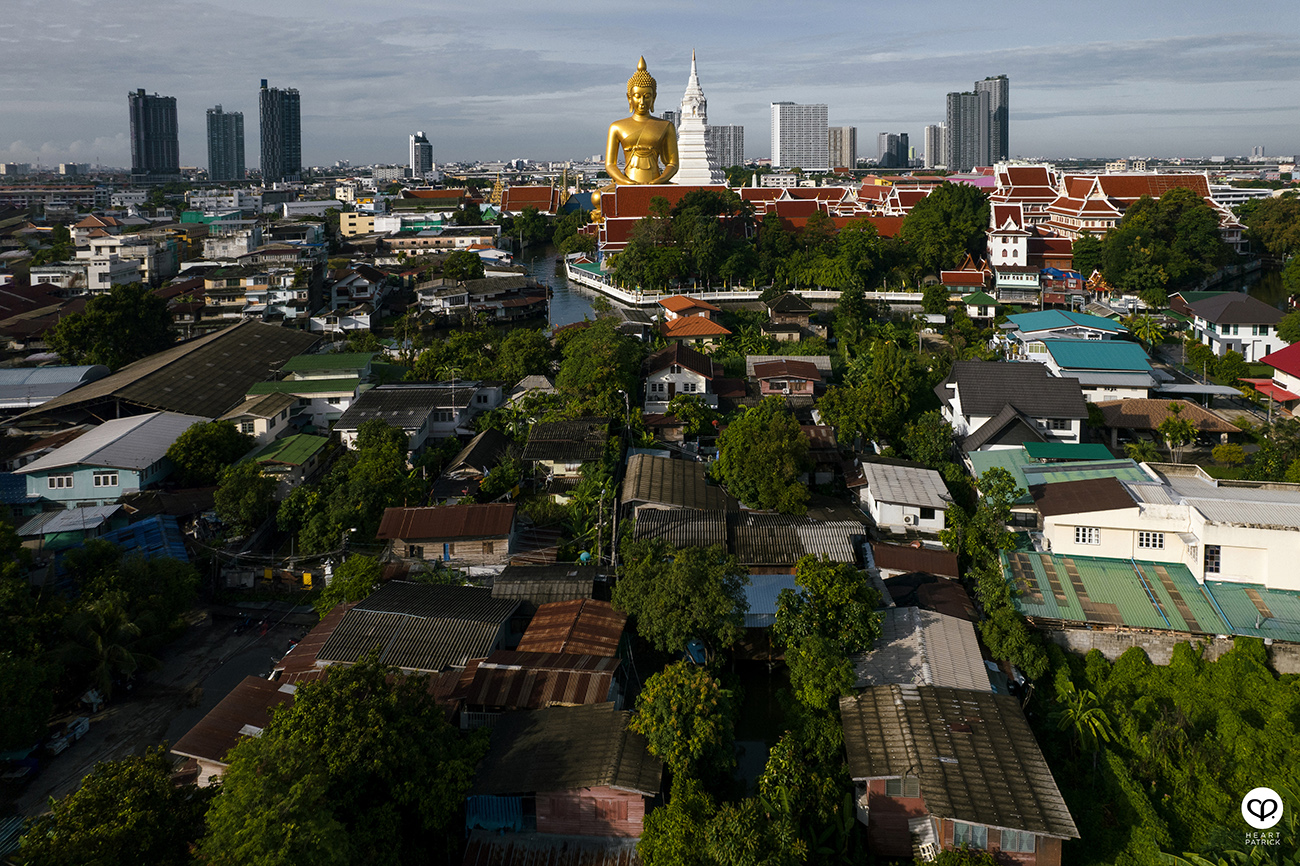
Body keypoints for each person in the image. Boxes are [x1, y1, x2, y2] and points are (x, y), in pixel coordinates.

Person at [604, 56, 679, 185]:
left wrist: (659, 180)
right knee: (596, 195)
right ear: (629, 98)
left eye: (647, 96)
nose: (642, 102)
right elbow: (610, 165)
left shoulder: (666, 126)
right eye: (637, 96)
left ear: (654, 98)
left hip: (656, 181)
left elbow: (673, 164)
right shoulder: (616, 127)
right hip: (627, 181)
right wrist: (626, 181)